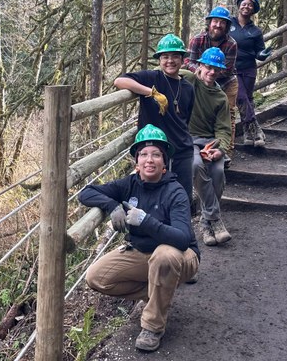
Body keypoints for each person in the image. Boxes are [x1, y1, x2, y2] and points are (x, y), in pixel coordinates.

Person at [79, 124, 199, 353]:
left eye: (156, 154)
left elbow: (183, 239)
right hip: (142, 254)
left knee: (165, 255)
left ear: (165, 163)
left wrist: (145, 221)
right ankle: (161, 292)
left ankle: (152, 327)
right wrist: (112, 205)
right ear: (136, 162)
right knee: (96, 277)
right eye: (143, 154)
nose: (149, 159)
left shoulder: (175, 191)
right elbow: (86, 192)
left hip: (181, 256)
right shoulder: (130, 184)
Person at [114, 34, 195, 204]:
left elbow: (186, 119)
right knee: (154, 200)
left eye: (175, 56)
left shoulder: (187, 87)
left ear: (182, 60)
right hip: (156, 151)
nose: (170, 61)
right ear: (159, 60)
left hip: (183, 150)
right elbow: (119, 81)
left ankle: (181, 229)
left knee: (182, 199)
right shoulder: (152, 78)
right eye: (165, 57)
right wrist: (151, 93)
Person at [180, 47, 232, 246]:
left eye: (216, 70)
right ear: (200, 66)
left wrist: (220, 149)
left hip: (210, 143)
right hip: (188, 140)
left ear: (220, 72)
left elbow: (224, 130)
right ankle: (215, 220)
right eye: (208, 67)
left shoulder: (220, 98)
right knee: (194, 165)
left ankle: (205, 222)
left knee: (218, 172)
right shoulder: (190, 80)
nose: (211, 72)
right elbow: (167, 72)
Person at [185, 6, 238, 156]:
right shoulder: (198, 39)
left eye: (222, 22)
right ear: (209, 23)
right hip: (202, 79)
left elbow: (227, 69)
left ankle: (226, 151)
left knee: (228, 114)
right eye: (215, 21)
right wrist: (201, 72)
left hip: (227, 82)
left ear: (227, 26)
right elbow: (189, 61)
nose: (218, 25)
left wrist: (211, 72)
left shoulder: (231, 43)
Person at [229, 0, 270, 147]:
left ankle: (247, 133)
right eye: (244, 4)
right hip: (232, 68)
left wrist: (263, 55)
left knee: (248, 99)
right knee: (240, 97)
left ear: (253, 10)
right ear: (239, 6)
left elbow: (259, 53)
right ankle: (257, 129)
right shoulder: (229, 24)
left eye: (250, 5)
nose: (246, 7)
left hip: (249, 69)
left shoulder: (255, 31)